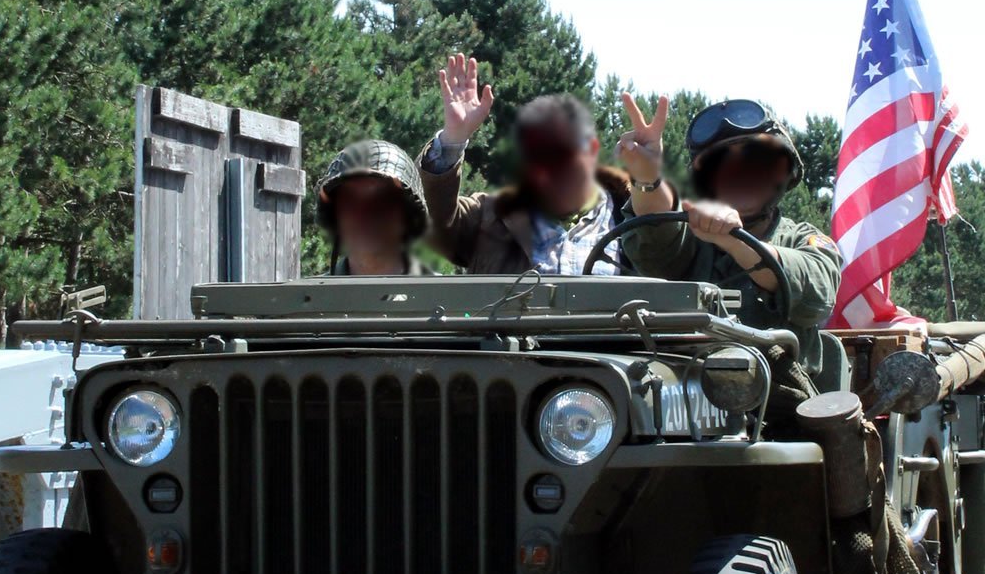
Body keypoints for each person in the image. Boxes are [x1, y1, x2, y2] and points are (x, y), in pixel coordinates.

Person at [617, 96, 842, 377]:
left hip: (782, 395)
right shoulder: (691, 238)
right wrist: (647, 178)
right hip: (681, 388)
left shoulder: (803, 238)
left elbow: (814, 295)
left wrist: (733, 240)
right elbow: (656, 229)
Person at [415, 54, 674, 275]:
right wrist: (453, 139)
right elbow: (430, 219)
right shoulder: (489, 217)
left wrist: (648, 177)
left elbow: (669, 250)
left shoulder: (629, 220)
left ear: (591, 151)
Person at [314, 139, 433, 276]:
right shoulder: (310, 290)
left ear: (408, 216)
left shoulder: (442, 289)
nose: (364, 214)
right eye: (351, 201)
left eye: (382, 200)